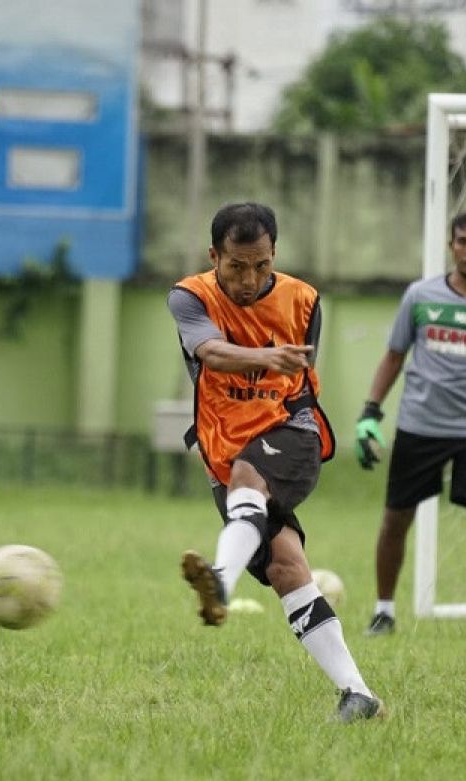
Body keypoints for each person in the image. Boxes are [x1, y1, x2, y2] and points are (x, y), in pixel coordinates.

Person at [169, 202, 385, 723]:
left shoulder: (305, 299)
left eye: (262, 265)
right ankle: (359, 695)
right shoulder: (188, 298)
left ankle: (221, 579)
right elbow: (212, 353)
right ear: (213, 257)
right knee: (288, 566)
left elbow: (296, 378)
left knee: (251, 476)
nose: (250, 279)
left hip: (291, 430)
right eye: (237, 266)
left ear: (275, 255)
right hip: (223, 448)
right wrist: (266, 357)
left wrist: (273, 366)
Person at [355, 209, 466, 643]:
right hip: (419, 424)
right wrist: (371, 411)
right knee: (396, 518)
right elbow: (394, 355)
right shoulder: (420, 295)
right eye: (462, 241)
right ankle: (383, 611)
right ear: (451, 246)